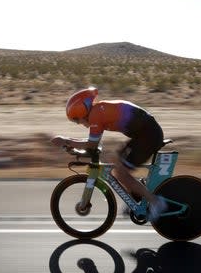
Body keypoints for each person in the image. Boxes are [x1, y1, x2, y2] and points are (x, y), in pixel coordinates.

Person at [50, 86, 168, 222]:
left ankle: (156, 202)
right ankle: (138, 198)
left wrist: (66, 140)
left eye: (76, 120)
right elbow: (92, 143)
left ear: (82, 112)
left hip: (148, 136)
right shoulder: (98, 111)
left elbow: (92, 145)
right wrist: (70, 144)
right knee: (117, 165)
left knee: (122, 174)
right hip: (143, 134)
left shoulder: (96, 115)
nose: (78, 124)